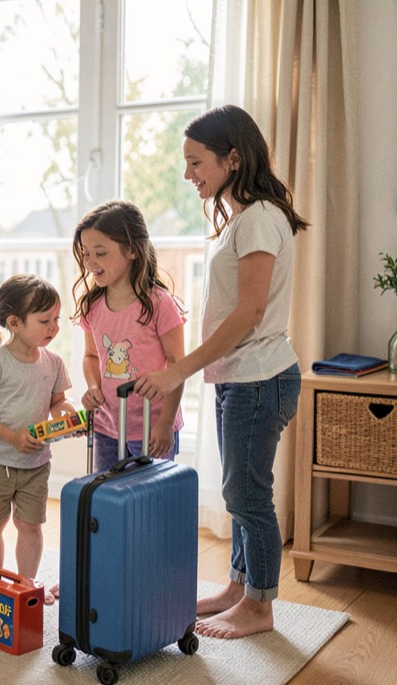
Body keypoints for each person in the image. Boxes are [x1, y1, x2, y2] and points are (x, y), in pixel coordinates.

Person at [134, 104, 306, 639]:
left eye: (196, 162)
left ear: (233, 158)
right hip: (242, 376)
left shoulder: (258, 219)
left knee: (246, 495)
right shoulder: (245, 218)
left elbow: (250, 313)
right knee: (239, 490)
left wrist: (177, 371)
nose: (188, 175)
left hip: (259, 377)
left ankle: (260, 606)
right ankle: (239, 587)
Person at [0, 274, 72, 604]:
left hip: (36, 463)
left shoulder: (54, 363)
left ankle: (27, 585)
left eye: (56, 319)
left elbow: (58, 402)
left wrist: (67, 415)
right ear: (14, 322)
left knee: (30, 526)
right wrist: (11, 436)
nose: (53, 327)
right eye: (44, 321)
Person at [71, 200, 186, 471]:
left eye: (100, 253)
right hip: (107, 426)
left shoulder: (159, 303)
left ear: (132, 250)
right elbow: (90, 356)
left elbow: (178, 367)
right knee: (107, 501)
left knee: (148, 505)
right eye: (86, 253)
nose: (90, 262)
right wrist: (93, 387)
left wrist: (165, 423)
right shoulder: (92, 305)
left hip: (152, 426)